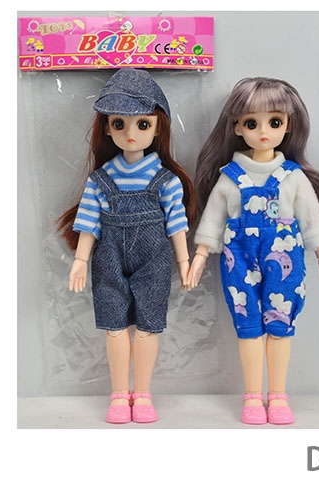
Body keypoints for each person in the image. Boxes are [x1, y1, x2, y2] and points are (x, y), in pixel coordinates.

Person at [187, 77, 319, 425]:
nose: (263, 132)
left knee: (280, 325)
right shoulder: (229, 176)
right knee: (248, 326)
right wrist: (200, 255)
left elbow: (311, 218)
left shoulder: (293, 177)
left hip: (285, 257)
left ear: (288, 125)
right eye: (251, 123)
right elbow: (213, 218)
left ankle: (277, 395)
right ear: (237, 127)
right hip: (238, 259)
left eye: (274, 122)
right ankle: (251, 396)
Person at [57, 68, 195, 424]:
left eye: (143, 124)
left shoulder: (166, 180)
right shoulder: (101, 180)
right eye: (119, 124)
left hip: (154, 258)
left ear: (158, 127)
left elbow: (176, 223)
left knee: (148, 326)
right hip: (109, 257)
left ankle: (143, 393)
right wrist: (81, 259)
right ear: (107, 128)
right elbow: (89, 221)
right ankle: (120, 394)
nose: (131, 133)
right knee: (114, 325)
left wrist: (184, 261)